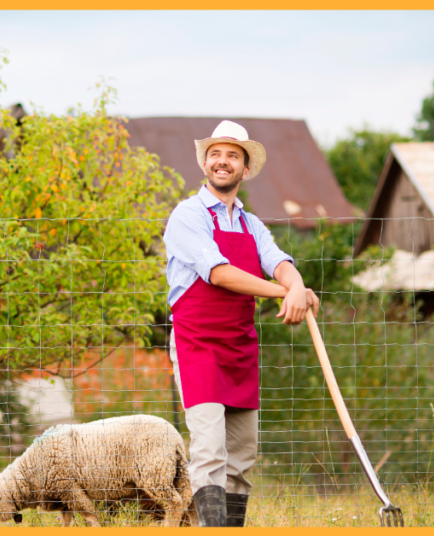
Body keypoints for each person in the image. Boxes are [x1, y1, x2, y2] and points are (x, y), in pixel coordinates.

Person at [163, 120, 320, 527]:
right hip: (197, 344)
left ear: (245, 169)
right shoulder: (187, 215)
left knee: (243, 455)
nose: (223, 161)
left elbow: (279, 262)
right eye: (215, 153)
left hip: (238, 347)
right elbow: (218, 272)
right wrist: (284, 293)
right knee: (210, 450)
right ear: (205, 164)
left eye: (233, 155)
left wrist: (298, 284)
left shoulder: (252, 225)